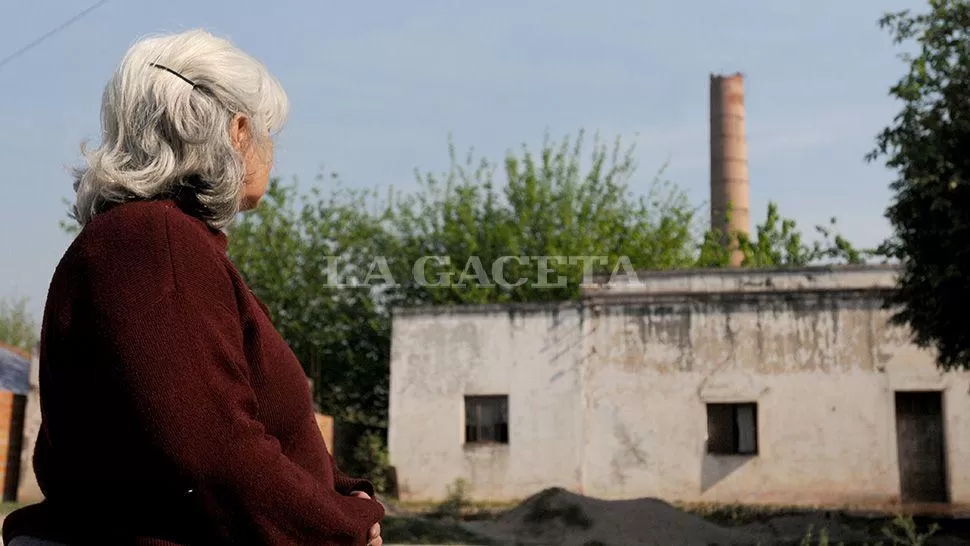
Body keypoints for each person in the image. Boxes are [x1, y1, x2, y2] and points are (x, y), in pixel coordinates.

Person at [1, 29, 385, 545]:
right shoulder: (153, 243)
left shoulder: (168, 246)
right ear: (239, 131)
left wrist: (342, 494)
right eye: (270, 131)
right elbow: (214, 453)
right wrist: (345, 528)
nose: (273, 150)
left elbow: (238, 423)